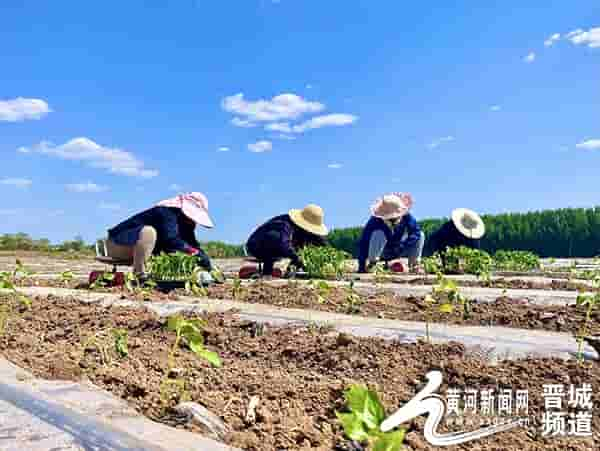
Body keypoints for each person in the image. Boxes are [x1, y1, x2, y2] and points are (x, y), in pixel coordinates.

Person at [106, 192, 215, 277]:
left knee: (179, 247)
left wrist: (205, 260)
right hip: (117, 244)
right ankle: (139, 274)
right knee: (149, 232)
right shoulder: (165, 213)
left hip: (138, 249)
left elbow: (191, 243)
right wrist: (194, 253)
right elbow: (171, 240)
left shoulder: (186, 223)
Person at [245, 204, 329, 277]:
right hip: (256, 246)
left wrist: (327, 255)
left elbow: (320, 240)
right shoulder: (284, 225)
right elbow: (283, 245)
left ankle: (291, 270)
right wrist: (300, 260)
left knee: (303, 241)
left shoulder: (303, 230)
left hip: (279, 245)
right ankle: (267, 273)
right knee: (274, 238)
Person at [357, 193, 425, 273]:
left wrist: (403, 245)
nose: (393, 220)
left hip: (400, 248)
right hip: (382, 252)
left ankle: (414, 265)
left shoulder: (407, 217)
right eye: (389, 218)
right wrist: (362, 266)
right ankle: (373, 264)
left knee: (420, 235)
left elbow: (415, 233)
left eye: (395, 218)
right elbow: (364, 242)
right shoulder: (374, 221)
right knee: (378, 234)